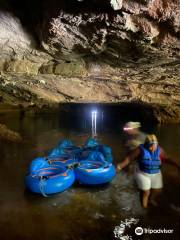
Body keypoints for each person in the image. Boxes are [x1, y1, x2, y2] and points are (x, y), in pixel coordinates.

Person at [117, 134, 180, 208]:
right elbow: (129, 159)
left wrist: (177, 165)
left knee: (158, 190)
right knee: (146, 191)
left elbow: (168, 158)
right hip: (142, 172)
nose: (153, 148)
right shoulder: (139, 150)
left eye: (155, 145)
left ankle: (151, 199)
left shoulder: (160, 150)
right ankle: (144, 207)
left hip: (155, 172)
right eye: (150, 145)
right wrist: (120, 166)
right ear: (146, 144)